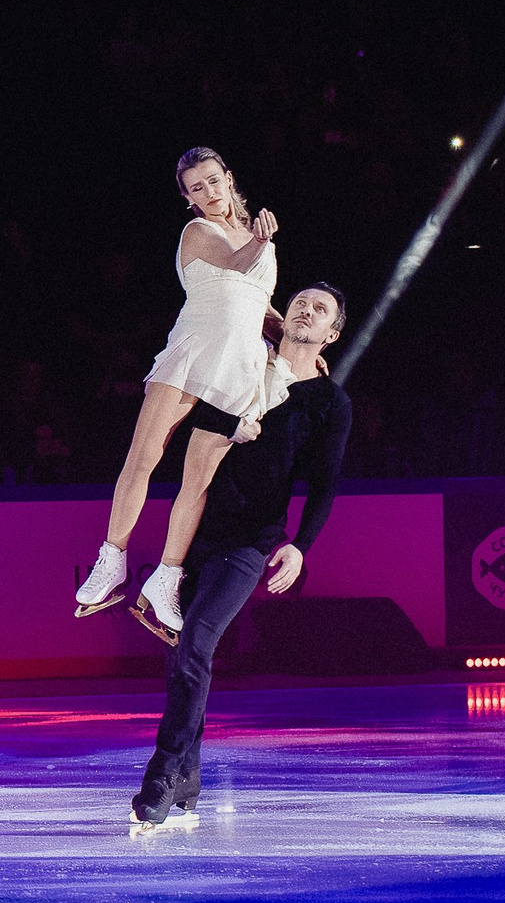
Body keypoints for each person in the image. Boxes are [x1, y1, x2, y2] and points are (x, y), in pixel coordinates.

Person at [131, 282, 352, 828]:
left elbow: (325, 482)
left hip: (250, 540)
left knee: (196, 643)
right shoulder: (244, 363)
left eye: (319, 309)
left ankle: (162, 772)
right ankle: (188, 774)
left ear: (332, 333)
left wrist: (301, 546)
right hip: (193, 529)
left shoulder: (329, 402)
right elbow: (199, 421)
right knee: (179, 651)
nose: (306, 309)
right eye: (301, 301)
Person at [74, 147, 283, 625]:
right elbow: (235, 265)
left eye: (213, 181)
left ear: (228, 178)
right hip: (191, 354)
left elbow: (259, 305)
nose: (209, 194)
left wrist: (294, 338)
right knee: (144, 457)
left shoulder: (257, 241)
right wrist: (262, 239)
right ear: (187, 198)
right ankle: (112, 561)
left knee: (199, 481)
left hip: (237, 367)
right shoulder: (199, 233)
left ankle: (166, 578)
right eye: (197, 188)